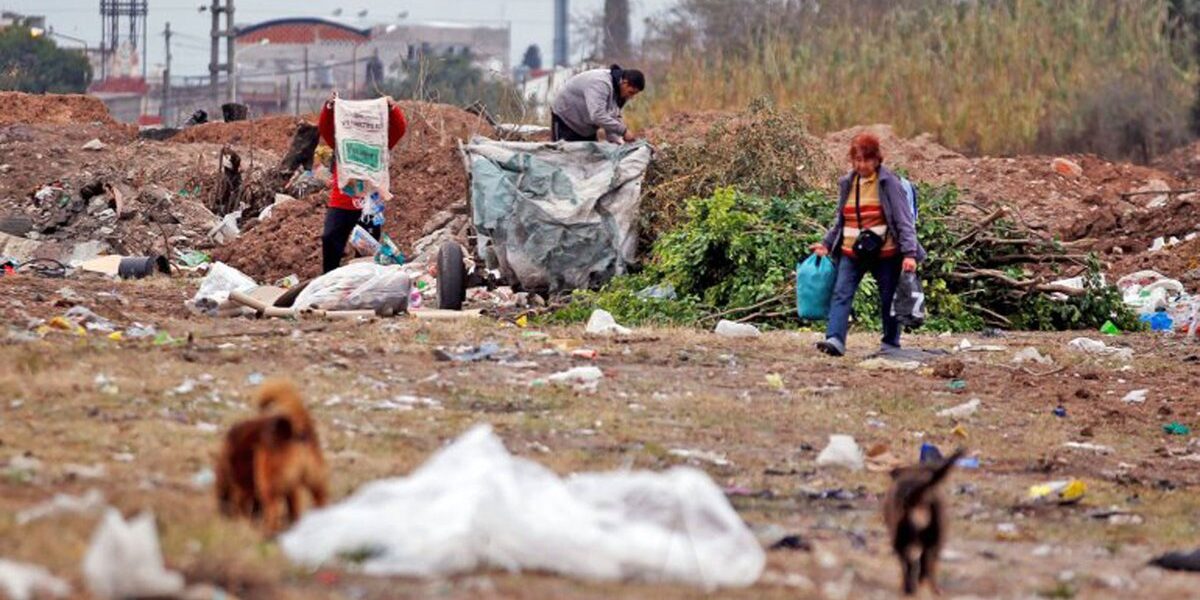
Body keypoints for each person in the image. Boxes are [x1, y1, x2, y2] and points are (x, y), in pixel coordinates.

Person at [812, 133, 926, 357]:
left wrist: (909, 254)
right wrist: (826, 244)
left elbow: (903, 220)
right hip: (851, 251)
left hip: (885, 253)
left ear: (876, 160)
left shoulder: (889, 183)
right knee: (841, 293)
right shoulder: (848, 183)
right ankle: (835, 339)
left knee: (888, 297)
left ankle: (891, 343)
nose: (861, 165)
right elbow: (841, 220)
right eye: (857, 160)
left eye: (866, 160)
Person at [317, 94, 407, 274]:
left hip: (370, 204)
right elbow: (325, 129)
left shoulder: (379, 144)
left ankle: (362, 281)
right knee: (330, 238)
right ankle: (329, 277)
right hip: (342, 201)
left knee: (367, 248)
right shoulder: (342, 142)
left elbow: (399, 129)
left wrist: (392, 108)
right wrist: (328, 108)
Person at [550, 65, 645, 143]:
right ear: (624, 82)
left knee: (589, 157)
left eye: (634, 94)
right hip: (566, 119)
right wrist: (624, 131)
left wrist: (616, 140)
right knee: (565, 157)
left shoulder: (620, 92)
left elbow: (611, 117)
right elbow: (597, 115)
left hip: (587, 126)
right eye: (631, 92)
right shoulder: (600, 84)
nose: (631, 97)